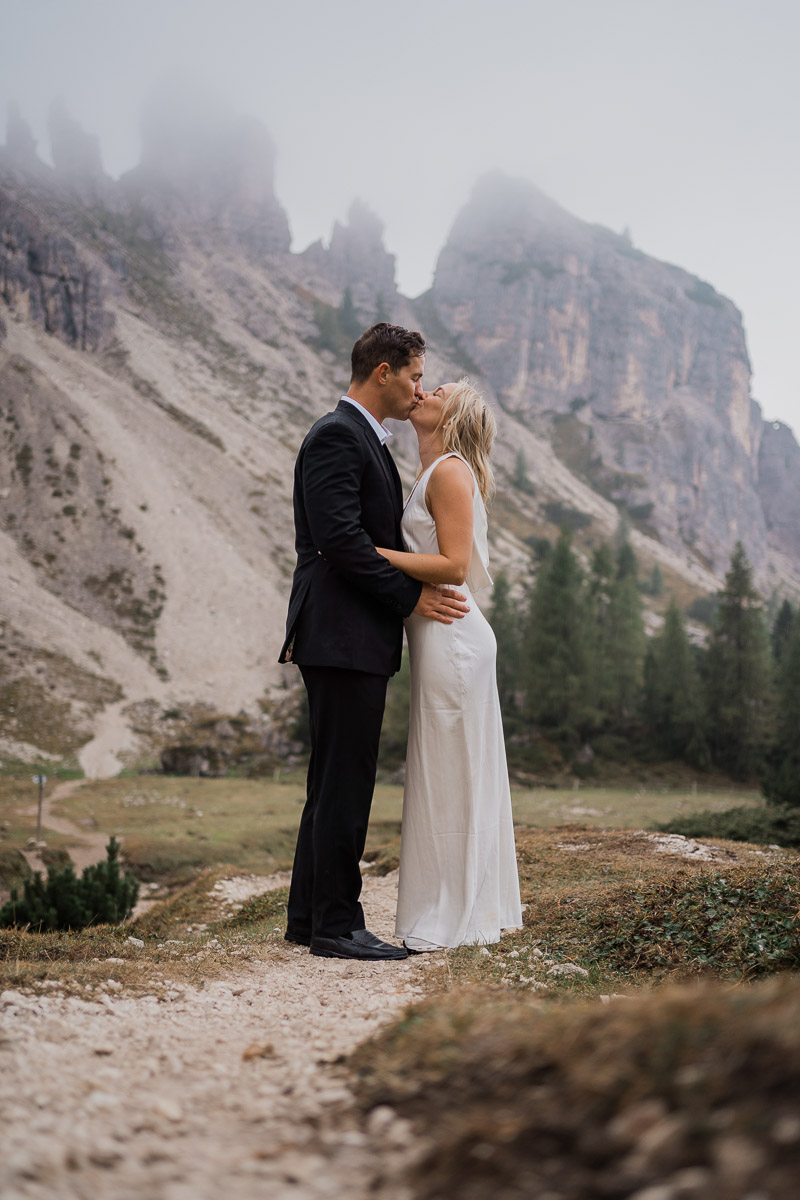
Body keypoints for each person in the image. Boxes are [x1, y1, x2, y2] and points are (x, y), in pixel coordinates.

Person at [279, 323, 469, 961]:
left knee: (331, 780)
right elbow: (340, 542)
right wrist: (410, 599)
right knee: (347, 781)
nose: (420, 387)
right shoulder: (338, 435)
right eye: (415, 375)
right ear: (383, 371)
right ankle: (338, 924)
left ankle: (309, 918)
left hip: (344, 633)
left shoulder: (363, 438)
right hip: (341, 631)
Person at [375, 379, 523, 950]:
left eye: (437, 388)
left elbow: (454, 565)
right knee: (446, 773)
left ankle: (456, 915)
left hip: (453, 639)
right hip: (440, 637)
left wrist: (370, 554)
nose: (423, 389)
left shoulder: (451, 470)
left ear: (454, 412)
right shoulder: (435, 471)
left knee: (452, 774)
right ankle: (451, 906)